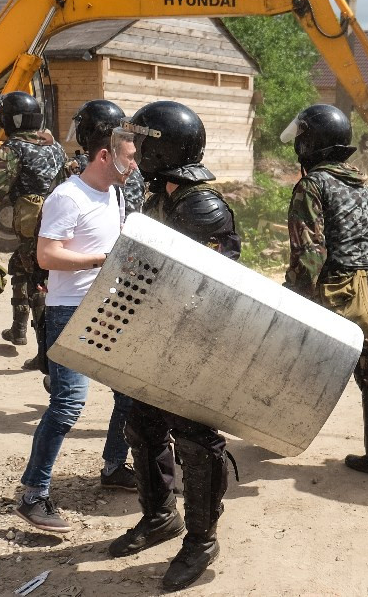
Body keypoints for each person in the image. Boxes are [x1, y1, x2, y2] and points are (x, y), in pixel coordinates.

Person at [107, 101, 240, 592]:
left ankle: (201, 540)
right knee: (141, 427)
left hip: (193, 345)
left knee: (196, 442)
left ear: (164, 147)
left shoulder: (200, 206)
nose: (136, 147)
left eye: (144, 139)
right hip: (157, 337)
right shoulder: (163, 193)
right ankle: (159, 517)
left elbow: (207, 290)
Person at [15, 118, 137, 533]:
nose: (135, 164)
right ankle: (33, 494)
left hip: (108, 307)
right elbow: (48, 256)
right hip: (70, 311)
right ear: (105, 155)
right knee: (67, 404)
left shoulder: (115, 193)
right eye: (130, 156)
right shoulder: (67, 197)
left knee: (128, 394)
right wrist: (102, 260)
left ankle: (113, 466)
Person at [281, 104, 368, 480]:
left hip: (335, 288)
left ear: (310, 143)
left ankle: (274, 431)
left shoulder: (312, 185)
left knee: (288, 357)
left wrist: (293, 295)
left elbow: (310, 251)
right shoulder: (363, 185)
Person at [0, 92, 66, 357]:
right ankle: (18, 329)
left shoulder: (12, 148)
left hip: (30, 222)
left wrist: (12, 197)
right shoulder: (55, 146)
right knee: (22, 267)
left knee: (35, 279)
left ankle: (45, 352)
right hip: (57, 219)